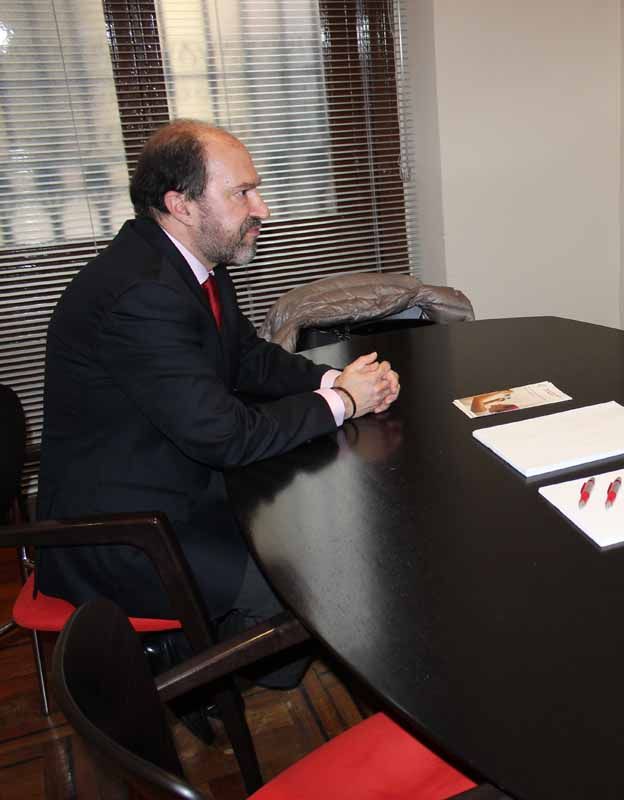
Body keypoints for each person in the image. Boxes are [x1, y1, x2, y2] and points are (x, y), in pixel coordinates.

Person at [36, 120, 400, 680]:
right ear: (180, 204)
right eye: (242, 193)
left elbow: (245, 357)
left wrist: (332, 382)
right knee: (307, 585)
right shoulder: (143, 294)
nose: (263, 209)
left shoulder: (194, 263)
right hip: (127, 530)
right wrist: (344, 405)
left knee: (324, 535)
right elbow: (224, 435)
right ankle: (180, 671)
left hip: (175, 481)